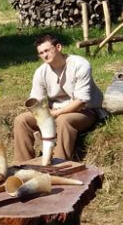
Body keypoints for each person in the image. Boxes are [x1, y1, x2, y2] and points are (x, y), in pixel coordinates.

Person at [14, 34, 104, 163]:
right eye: (41, 53)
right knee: (21, 120)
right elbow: (36, 99)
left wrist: (55, 114)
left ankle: (59, 164)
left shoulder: (80, 64)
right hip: (54, 111)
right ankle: (23, 166)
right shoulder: (41, 72)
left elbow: (80, 102)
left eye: (47, 50)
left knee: (63, 120)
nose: (44, 55)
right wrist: (39, 111)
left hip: (84, 111)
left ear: (58, 47)